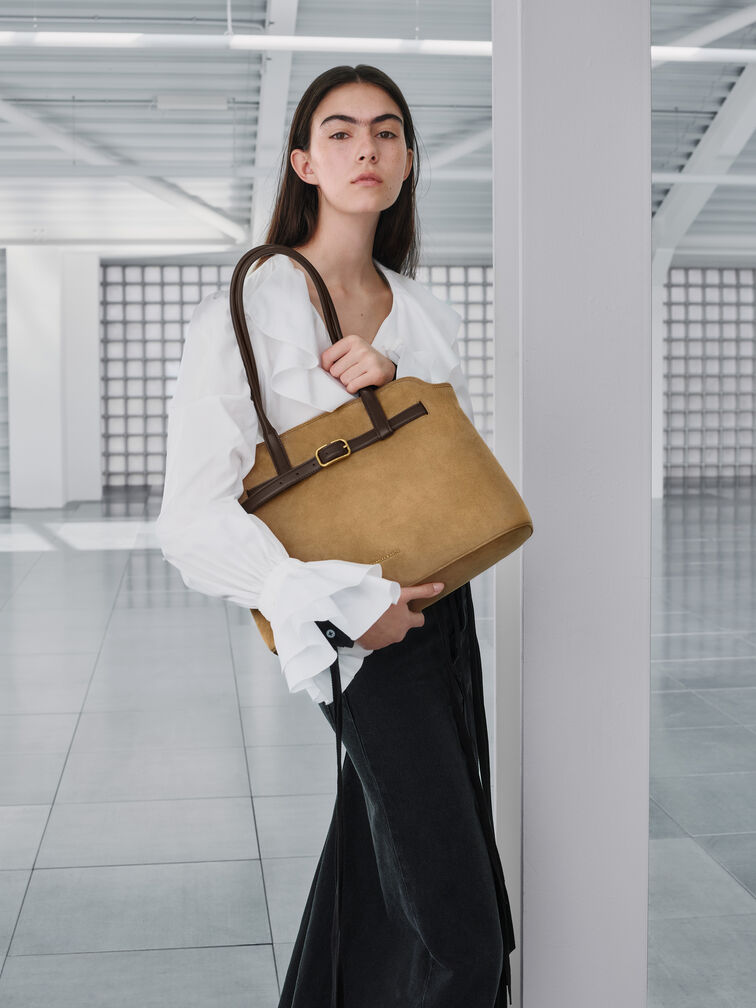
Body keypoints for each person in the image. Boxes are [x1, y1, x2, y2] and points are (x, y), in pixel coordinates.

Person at [155, 64, 515, 1008]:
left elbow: (447, 466)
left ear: (406, 163)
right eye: (344, 131)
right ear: (304, 162)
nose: (369, 149)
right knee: (460, 928)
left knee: (375, 870)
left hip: (447, 612)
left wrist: (396, 381)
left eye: (389, 132)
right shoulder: (252, 309)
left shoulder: (418, 308)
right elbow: (189, 519)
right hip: (360, 638)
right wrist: (348, 610)